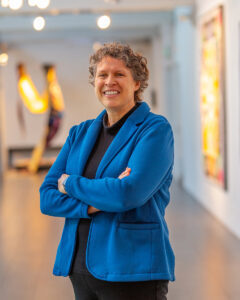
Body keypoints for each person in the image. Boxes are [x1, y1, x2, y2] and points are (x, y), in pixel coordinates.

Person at [40, 42, 175, 300]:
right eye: (102, 75)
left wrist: (69, 184)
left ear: (137, 83)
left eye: (119, 74)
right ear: (94, 82)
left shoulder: (154, 130)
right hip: (79, 268)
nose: (109, 81)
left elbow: (126, 195)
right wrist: (95, 202)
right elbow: (46, 197)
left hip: (131, 270)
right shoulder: (79, 133)